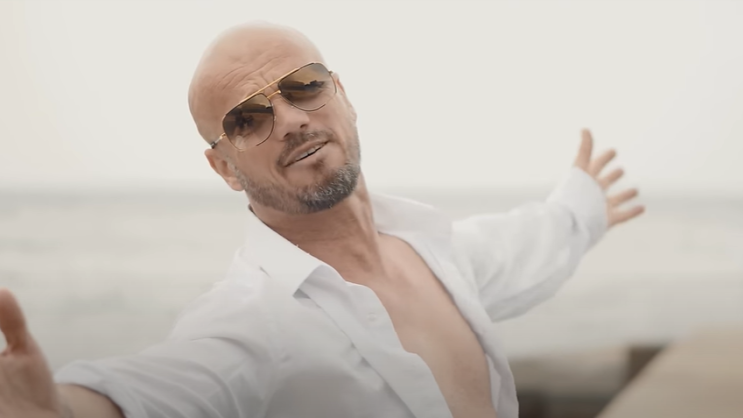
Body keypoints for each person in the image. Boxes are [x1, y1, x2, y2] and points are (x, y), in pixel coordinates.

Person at [0, 22, 644, 418]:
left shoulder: (433, 249)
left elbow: (521, 248)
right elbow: (174, 384)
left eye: (303, 86)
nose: (289, 119)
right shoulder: (255, 320)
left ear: (343, 94)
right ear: (224, 168)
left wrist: (580, 209)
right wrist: (59, 408)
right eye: (247, 119)